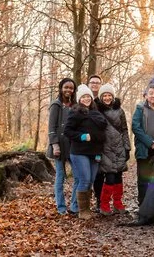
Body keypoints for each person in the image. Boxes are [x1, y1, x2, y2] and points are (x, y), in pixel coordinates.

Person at [64, 84, 107, 219]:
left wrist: (99, 152)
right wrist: (81, 136)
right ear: (79, 99)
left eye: (88, 96)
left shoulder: (96, 113)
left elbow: (102, 133)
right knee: (84, 179)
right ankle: (83, 211)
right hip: (79, 152)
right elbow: (68, 131)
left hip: (95, 152)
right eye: (83, 97)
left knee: (91, 179)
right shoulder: (75, 112)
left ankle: (86, 207)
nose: (86, 99)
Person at [97, 83, 131, 215]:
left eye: (109, 95)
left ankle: (118, 203)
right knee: (109, 177)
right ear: (101, 97)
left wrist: (127, 147)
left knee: (118, 176)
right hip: (105, 148)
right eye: (104, 95)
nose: (107, 98)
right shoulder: (98, 110)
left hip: (119, 147)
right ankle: (104, 204)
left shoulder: (120, 111)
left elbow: (124, 129)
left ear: (113, 96)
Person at [46, 78, 78, 216]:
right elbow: (51, 127)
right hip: (59, 147)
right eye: (66, 87)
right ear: (61, 88)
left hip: (72, 146)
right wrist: (55, 145)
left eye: (71, 88)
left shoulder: (74, 105)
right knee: (60, 177)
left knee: (78, 176)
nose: (68, 90)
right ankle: (61, 207)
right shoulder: (56, 105)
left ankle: (74, 205)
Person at [87, 74, 105, 212]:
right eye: (92, 82)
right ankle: (84, 203)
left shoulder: (102, 102)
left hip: (99, 142)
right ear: (88, 84)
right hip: (84, 141)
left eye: (97, 83)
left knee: (98, 173)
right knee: (84, 174)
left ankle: (99, 201)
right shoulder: (82, 99)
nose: (94, 85)